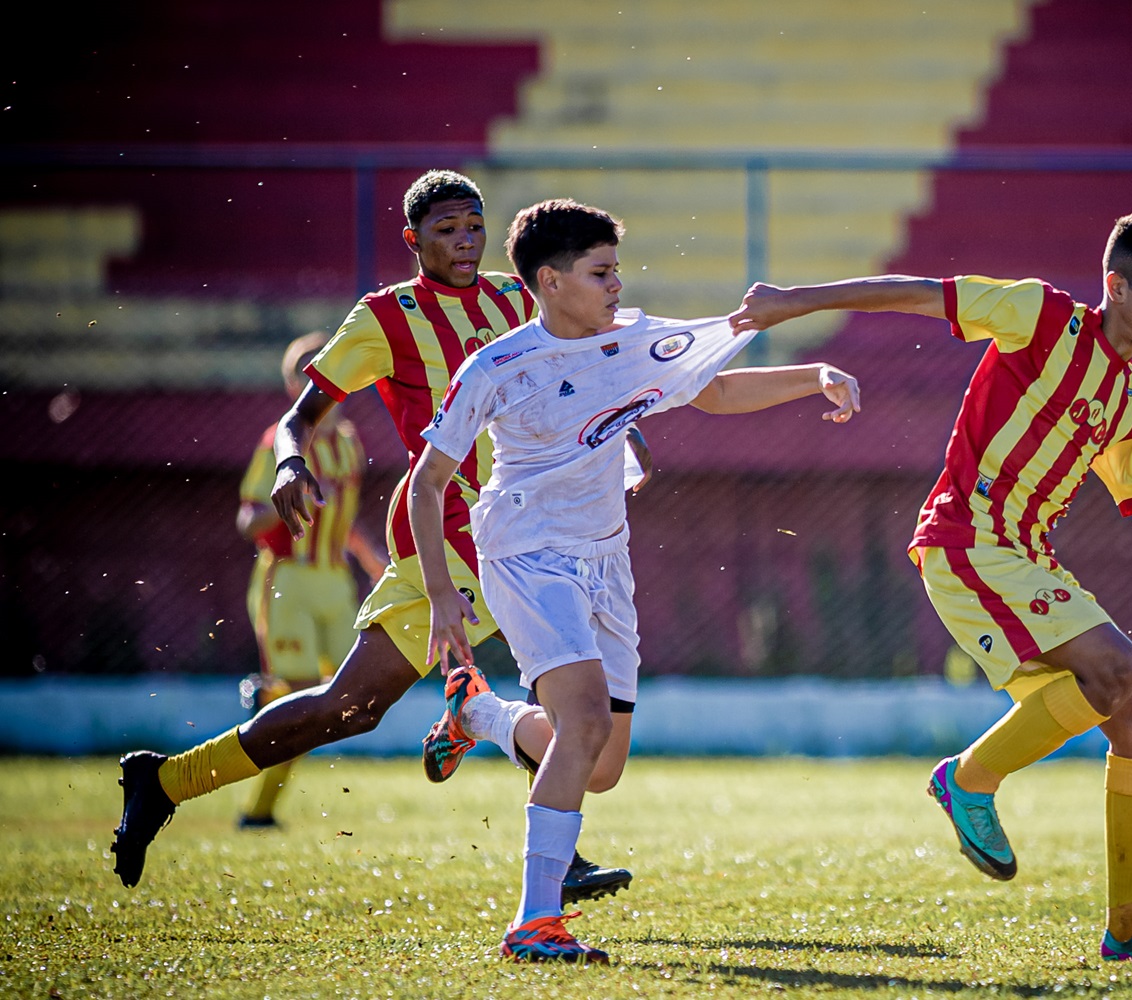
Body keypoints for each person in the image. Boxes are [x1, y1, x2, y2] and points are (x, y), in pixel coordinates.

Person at [729, 213, 1132, 965]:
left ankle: (1130, 930)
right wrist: (794, 301)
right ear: (1116, 287)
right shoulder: (1041, 315)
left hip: (1026, 560)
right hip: (965, 542)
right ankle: (967, 780)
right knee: (1116, 667)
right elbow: (917, 295)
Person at [110, 171, 635, 901]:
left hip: (528, 529)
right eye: (448, 229)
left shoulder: (516, 297)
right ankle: (167, 781)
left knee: (562, 700)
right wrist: (291, 459)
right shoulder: (385, 318)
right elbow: (301, 416)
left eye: (475, 226)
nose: (466, 240)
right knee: (350, 707)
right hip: (451, 538)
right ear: (413, 239)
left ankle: (529, 806)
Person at [410, 198, 860, 963]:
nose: (617, 285)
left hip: (605, 559)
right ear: (550, 282)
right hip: (526, 555)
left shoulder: (639, 340)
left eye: (618, 269)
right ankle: (534, 922)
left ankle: (478, 717)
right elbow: (426, 484)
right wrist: (440, 595)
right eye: (600, 272)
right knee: (583, 724)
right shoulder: (498, 367)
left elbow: (714, 391)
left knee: (602, 766)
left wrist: (814, 375)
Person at [233, 331, 387, 828]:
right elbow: (248, 518)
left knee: (355, 695)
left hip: (336, 582)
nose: (312, 377)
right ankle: (259, 809)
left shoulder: (347, 444)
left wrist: (372, 557)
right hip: (289, 583)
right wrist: (285, 504)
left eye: (317, 366)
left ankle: (267, 698)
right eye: (301, 371)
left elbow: (344, 517)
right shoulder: (278, 444)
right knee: (305, 699)